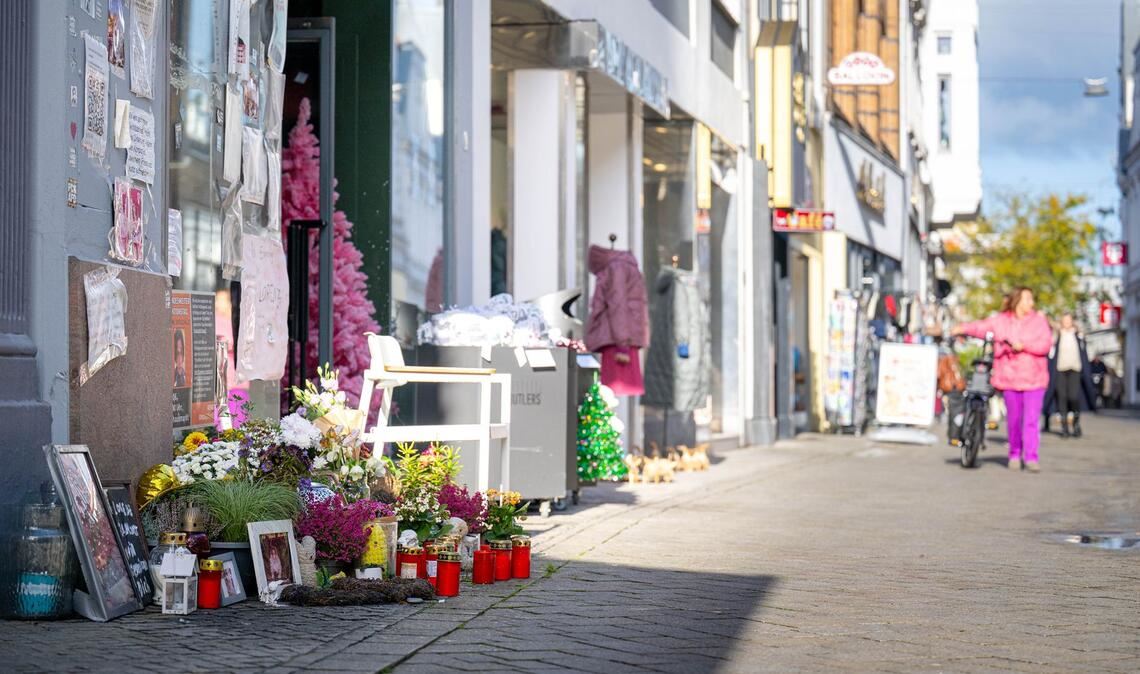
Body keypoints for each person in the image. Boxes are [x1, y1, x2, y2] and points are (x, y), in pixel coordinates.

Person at [952, 287, 1052, 472]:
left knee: (1030, 420)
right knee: (1013, 419)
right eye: (1027, 299)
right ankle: (1014, 453)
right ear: (1017, 301)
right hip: (1009, 377)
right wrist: (963, 328)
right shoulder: (1002, 320)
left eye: (1031, 299)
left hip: (1034, 379)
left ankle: (1031, 456)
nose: (1031, 303)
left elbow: (1045, 344)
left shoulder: (1039, 321)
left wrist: (1024, 346)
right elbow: (982, 327)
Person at [1044, 313, 1097, 438]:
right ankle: (1064, 428)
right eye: (1064, 320)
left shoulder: (1078, 335)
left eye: (1069, 320)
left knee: (1073, 397)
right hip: (1060, 370)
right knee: (1061, 397)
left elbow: (1084, 354)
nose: (1066, 323)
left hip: (1075, 370)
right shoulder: (1057, 336)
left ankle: (1076, 422)